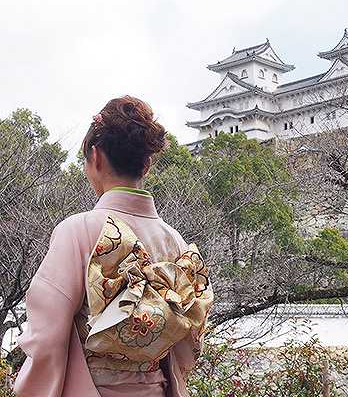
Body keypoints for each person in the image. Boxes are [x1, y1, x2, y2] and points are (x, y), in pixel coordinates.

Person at [13, 95, 212, 397]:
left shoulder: (78, 231)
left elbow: (46, 339)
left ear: (95, 157)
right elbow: (186, 343)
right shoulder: (176, 241)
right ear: (146, 164)